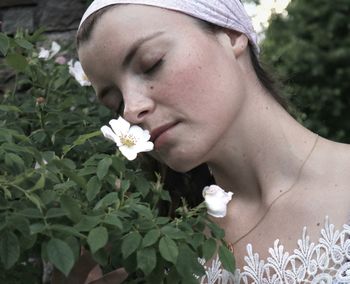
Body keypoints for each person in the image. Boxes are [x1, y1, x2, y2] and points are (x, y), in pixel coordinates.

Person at [59, 0, 350, 283]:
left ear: (232, 36)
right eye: (115, 102)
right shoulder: (163, 250)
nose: (131, 110)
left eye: (151, 64)